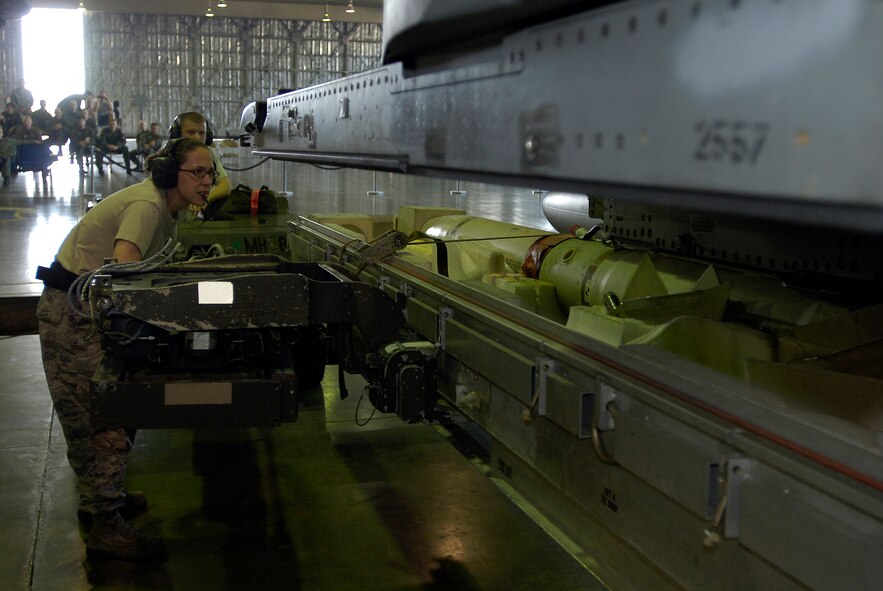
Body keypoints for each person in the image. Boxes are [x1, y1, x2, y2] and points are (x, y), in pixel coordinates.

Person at [36, 138, 214, 561]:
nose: (208, 181)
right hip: (73, 313)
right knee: (103, 412)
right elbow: (122, 270)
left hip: (80, 309)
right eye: (199, 172)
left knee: (92, 410)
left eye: (211, 172)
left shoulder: (167, 209)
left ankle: (98, 501)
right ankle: (105, 523)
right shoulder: (148, 206)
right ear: (172, 174)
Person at [169, 111, 231, 205]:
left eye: (202, 133)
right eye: (191, 132)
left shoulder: (208, 154)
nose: (197, 138)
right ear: (177, 134)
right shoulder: (168, 154)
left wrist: (204, 199)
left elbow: (225, 186)